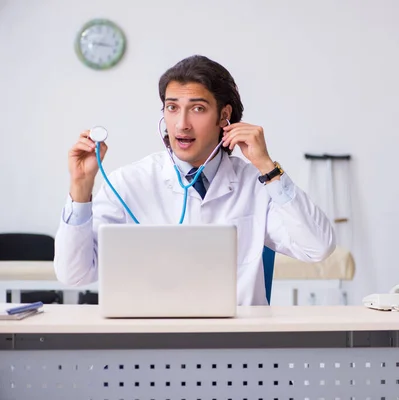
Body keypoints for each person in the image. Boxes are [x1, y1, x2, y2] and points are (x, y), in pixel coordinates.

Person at [53, 55, 336, 305]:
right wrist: (80, 186)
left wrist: (267, 167)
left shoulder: (255, 183)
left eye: (197, 108)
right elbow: (75, 275)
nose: (181, 124)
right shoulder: (129, 182)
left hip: (238, 349)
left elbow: (318, 248)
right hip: (151, 347)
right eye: (172, 107)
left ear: (224, 116)